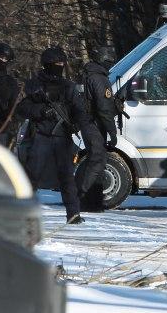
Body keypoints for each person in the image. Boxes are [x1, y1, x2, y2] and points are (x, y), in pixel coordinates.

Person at [18, 47, 89, 223]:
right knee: (32, 176)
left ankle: (73, 214)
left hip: (62, 136)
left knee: (67, 177)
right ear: (47, 64)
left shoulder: (68, 87)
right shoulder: (36, 85)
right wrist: (41, 111)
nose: (60, 66)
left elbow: (80, 110)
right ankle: (24, 212)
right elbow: (22, 108)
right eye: (56, 63)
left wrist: (78, 124)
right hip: (40, 135)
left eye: (61, 63)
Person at [75, 42, 119, 213]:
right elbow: (104, 108)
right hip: (94, 125)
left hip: (88, 123)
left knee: (96, 160)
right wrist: (112, 132)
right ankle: (85, 199)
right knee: (97, 161)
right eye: (110, 61)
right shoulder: (99, 79)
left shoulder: (89, 75)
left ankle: (92, 201)